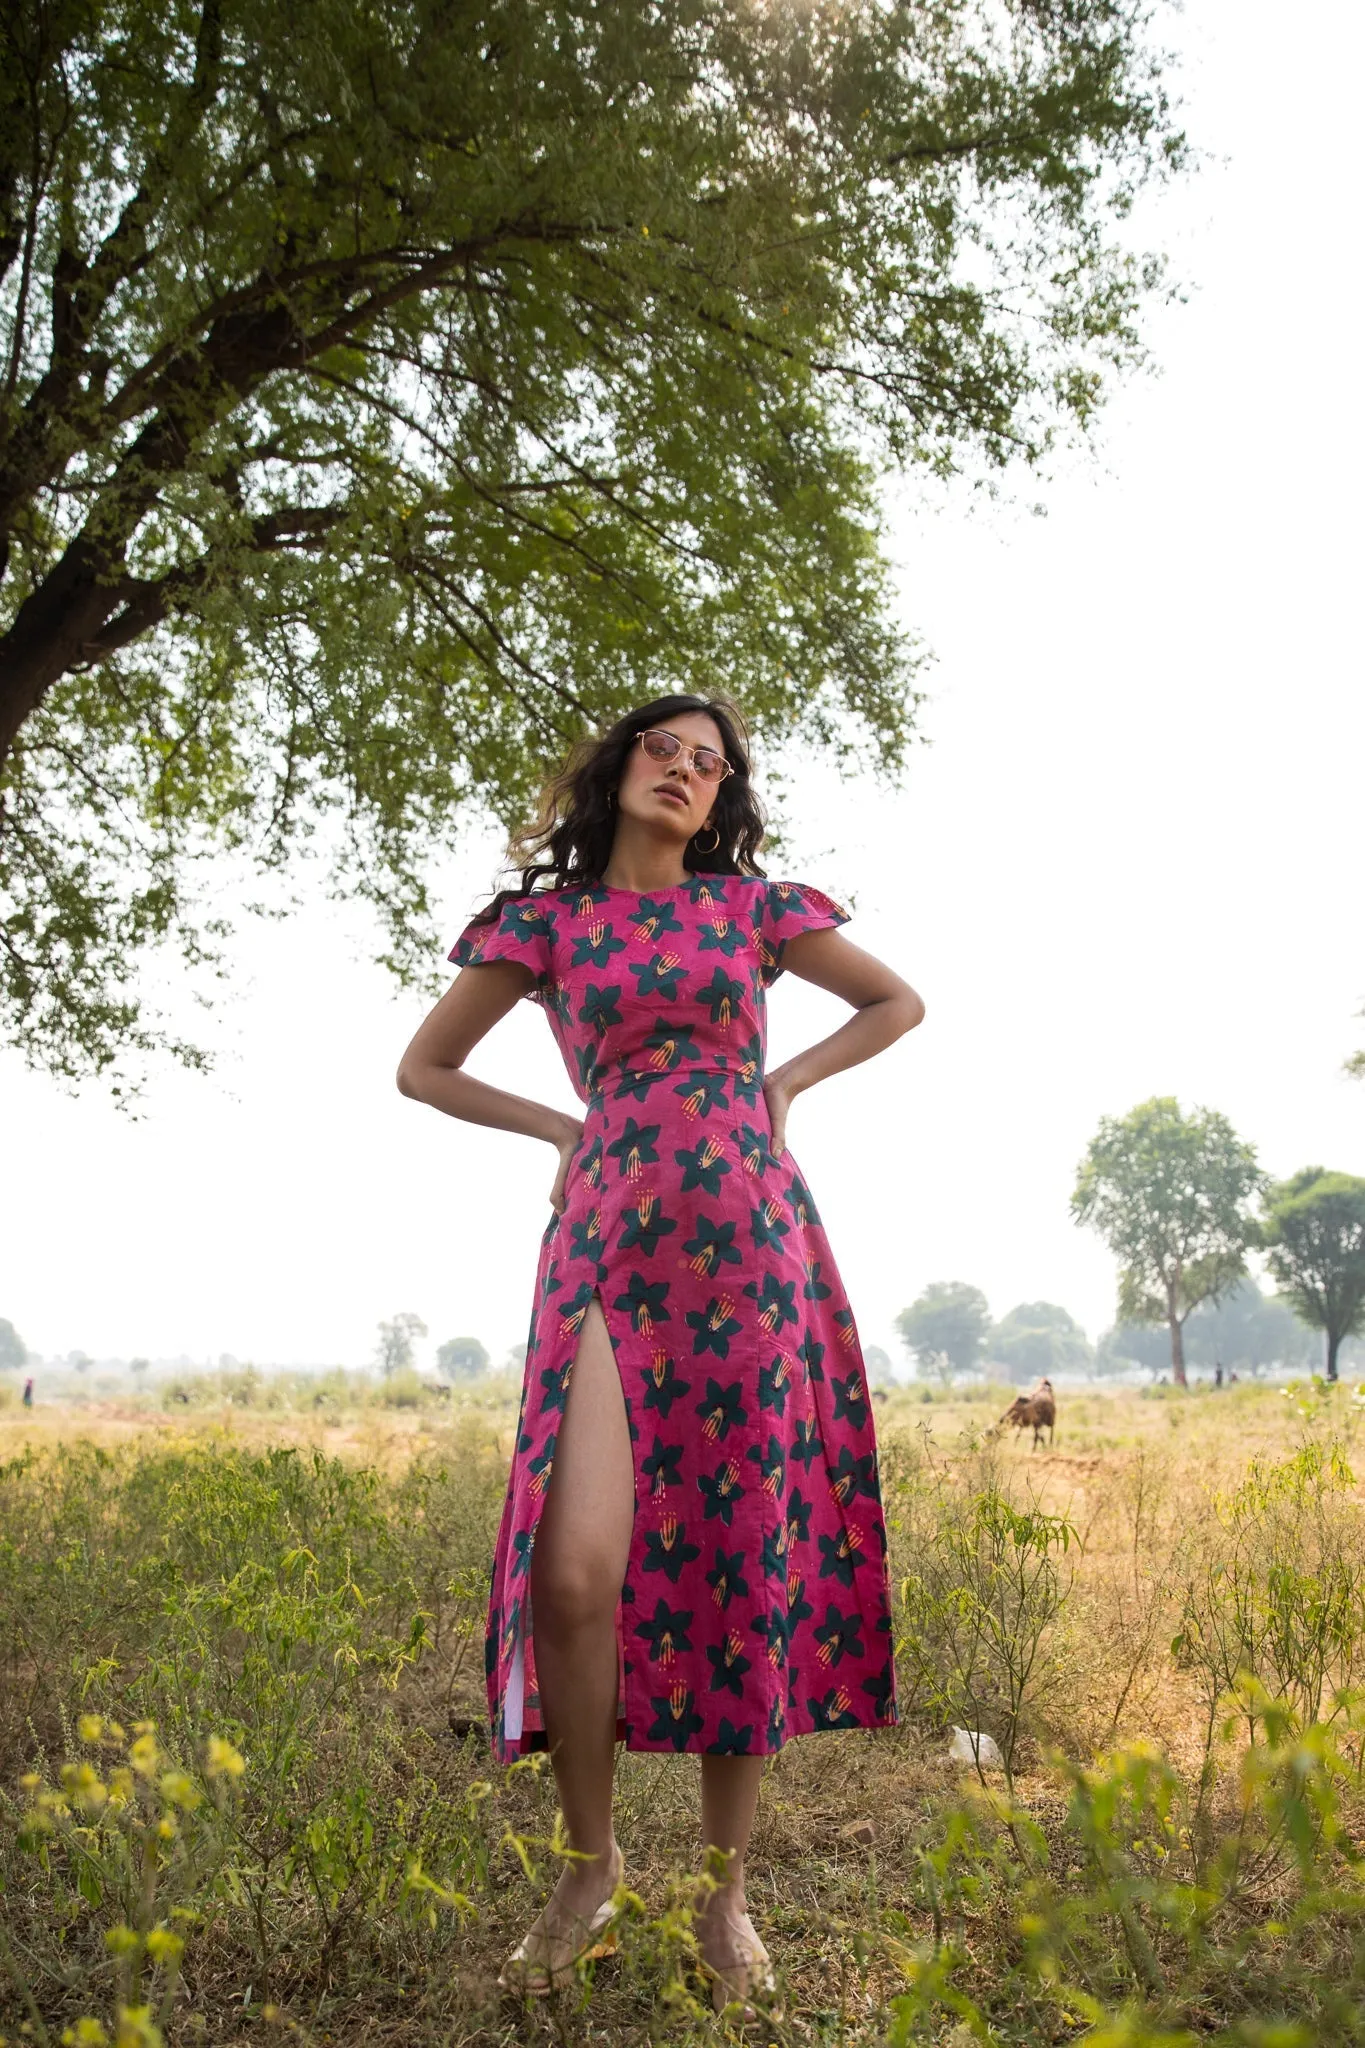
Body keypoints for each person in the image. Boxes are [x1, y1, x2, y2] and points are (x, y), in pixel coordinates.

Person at [397, 695, 925, 2013]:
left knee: (741, 1555)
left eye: (712, 763)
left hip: (750, 1243)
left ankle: (725, 1891)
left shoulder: (755, 912)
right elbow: (426, 1067)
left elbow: (897, 1003)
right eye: (666, 750)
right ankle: (589, 1865)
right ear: (620, 765)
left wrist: (787, 1086)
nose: (687, 772)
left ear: (724, 795)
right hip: (607, 1242)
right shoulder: (547, 924)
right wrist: (564, 1132)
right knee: (575, 1580)